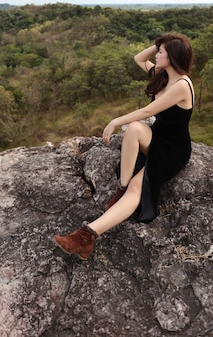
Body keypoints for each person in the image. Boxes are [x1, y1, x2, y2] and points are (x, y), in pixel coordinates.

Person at [53, 32, 194, 260]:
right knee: (135, 129)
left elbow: (149, 111)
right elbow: (138, 58)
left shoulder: (182, 85)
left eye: (161, 53)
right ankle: (122, 187)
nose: (156, 56)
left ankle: (84, 238)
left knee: (138, 184)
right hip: (157, 139)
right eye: (157, 52)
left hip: (174, 150)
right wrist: (161, 45)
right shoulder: (162, 75)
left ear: (173, 56)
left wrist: (116, 120)